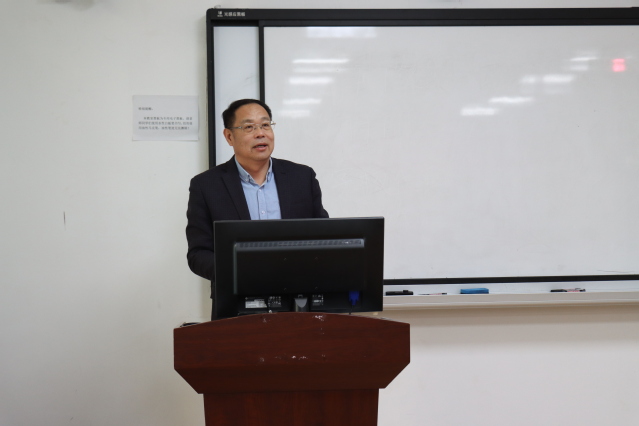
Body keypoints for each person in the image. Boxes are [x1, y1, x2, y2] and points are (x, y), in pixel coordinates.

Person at [185, 98, 329, 291]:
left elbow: (324, 238)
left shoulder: (302, 177)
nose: (260, 133)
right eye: (249, 127)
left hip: (298, 293)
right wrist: (240, 272)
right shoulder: (206, 185)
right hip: (236, 296)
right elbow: (198, 253)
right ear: (229, 136)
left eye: (265, 125)